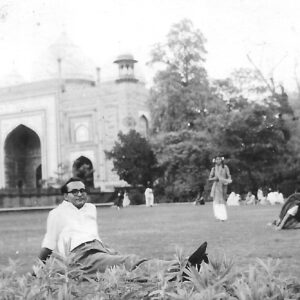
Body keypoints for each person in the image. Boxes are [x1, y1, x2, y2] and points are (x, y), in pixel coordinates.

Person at [37, 177, 209, 279]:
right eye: (75, 191)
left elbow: (90, 234)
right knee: (130, 262)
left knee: (129, 266)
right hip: (80, 258)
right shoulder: (57, 213)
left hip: (98, 249)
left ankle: (186, 268)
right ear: (65, 196)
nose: (80, 194)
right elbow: (48, 246)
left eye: (83, 190)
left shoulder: (90, 208)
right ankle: (184, 266)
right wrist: (36, 272)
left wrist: (105, 250)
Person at [208, 156, 232, 221]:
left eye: (219, 159)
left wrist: (227, 181)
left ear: (221, 160)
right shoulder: (213, 168)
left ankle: (223, 217)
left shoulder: (225, 167)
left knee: (222, 201)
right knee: (216, 202)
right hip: (216, 186)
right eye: (216, 159)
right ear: (215, 160)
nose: (218, 160)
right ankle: (218, 216)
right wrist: (215, 178)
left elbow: (229, 176)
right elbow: (209, 179)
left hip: (223, 186)